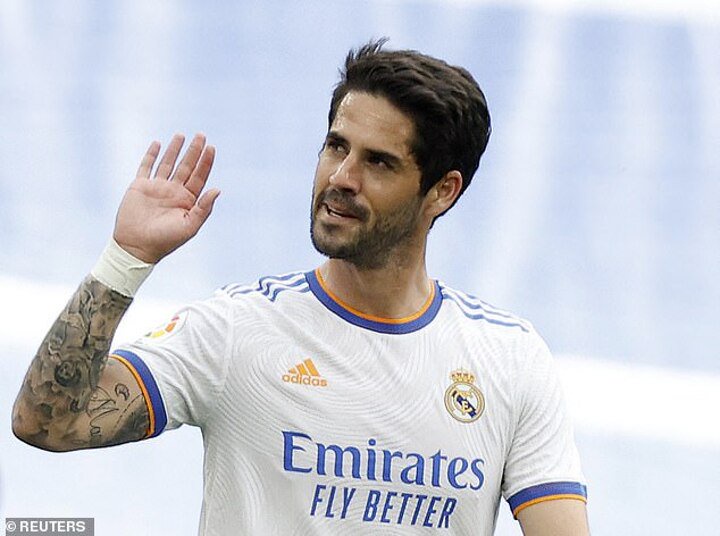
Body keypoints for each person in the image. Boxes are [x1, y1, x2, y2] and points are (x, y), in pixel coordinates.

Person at [12, 40, 589, 535]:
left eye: (378, 163)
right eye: (337, 146)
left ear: (442, 190)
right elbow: (46, 422)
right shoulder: (236, 331)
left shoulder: (510, 359)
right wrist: (125, 261)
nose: (342, 177)